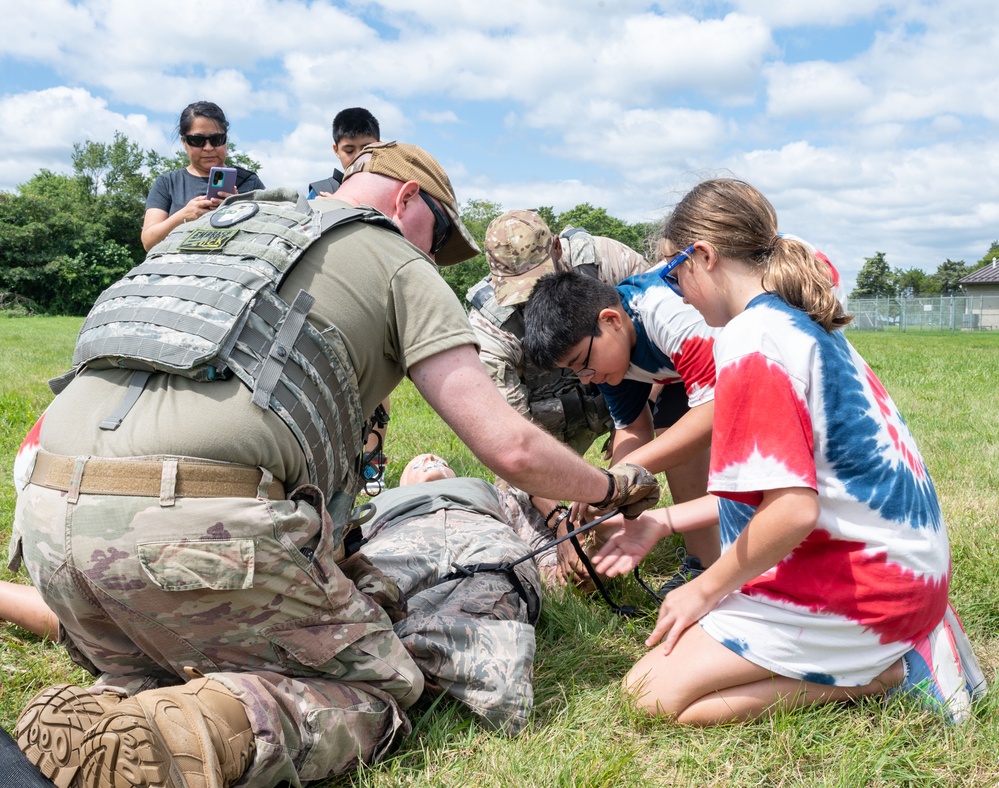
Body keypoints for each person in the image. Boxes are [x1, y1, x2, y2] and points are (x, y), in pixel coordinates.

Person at [10, 140, 658, 788]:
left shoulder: (214, 230)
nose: (432, 258)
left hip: (46, 518)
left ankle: (128, 702)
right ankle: (174, 739)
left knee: (180, 656)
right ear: (407, 200)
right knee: (379, 690)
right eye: (436, 240)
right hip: (183, 533)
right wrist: (608, 485)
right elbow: (508, 446)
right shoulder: (395, 256)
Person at [590, 177, 986, 726]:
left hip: (867, 593)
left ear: (703, 256)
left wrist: (702, 591)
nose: (674, 289)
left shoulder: (750, 339)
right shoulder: (792, 321)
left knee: (648, 697)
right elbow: (788, 496)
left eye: (672, 272)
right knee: (664, 690)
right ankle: (897, 645)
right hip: (904, 572)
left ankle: (892, 671)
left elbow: (794, 510)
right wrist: (662, 520)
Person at [467, 210, 656, 586]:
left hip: (620, 396)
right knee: (534, 543)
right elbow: (513, 443)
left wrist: (629, 437)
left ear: (557, 249)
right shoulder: (489, 331)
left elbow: (658, 343)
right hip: (543, 426)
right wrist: (561, 523)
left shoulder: (608, 262)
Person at [524, 264, 723, 590]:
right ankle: (703, 563)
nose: (585, 379)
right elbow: (633, 429)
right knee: (671, 423)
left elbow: (714, 412)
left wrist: (614, 478)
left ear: (610, 321)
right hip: (697, 377)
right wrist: (607, 494)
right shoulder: (609, 356)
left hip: (764, 369)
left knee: (683, 429)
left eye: (582, 364)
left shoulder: (667, 314)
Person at [141, 101, 265, 251]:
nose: (208, 148)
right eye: (197, 140)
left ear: (226, 138)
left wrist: (237, 207)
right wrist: (184, 216)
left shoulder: (249, 182)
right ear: (184, 141)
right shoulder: (167, 183)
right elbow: (148, 242)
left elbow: (268, 234)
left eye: (216, 140)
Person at [307, 107, 381, 199]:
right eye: (349, 151)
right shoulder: (320, 192)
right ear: (336, 150)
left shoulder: (394, 189)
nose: (358, 157)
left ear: (380, 147)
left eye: (367, 149)